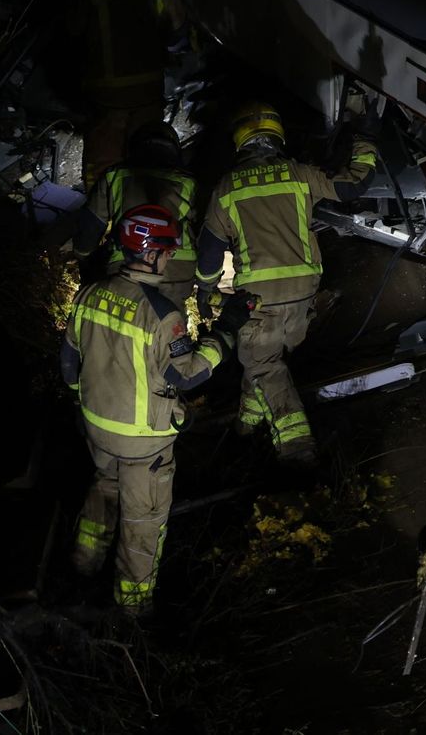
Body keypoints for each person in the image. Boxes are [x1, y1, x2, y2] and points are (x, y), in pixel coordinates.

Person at [60, 203, 252, 614]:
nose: (169, 257)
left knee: (103, 493)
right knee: (142, 526)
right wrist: (228, 331)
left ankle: (82, 564)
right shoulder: (162, 314)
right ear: (150, 253)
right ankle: (132, 614)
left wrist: (83, 404)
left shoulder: (90, 294)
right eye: (167, 250)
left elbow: (69, 362)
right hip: (143, 446)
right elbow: (187, 375)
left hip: (97, 431)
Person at [194, 101, 378, 465]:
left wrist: (205, 293)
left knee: (264, 365)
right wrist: (366, 138)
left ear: (240, 141)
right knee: (266, 362)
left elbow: (209, 255)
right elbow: (353, 186)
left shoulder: (226, 189)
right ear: (277, 137)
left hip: (257, 299)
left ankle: (296, 449)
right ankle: (247, 424)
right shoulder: (298, 173)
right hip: (304, 295)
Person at [70, 0, 186, 183]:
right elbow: (178, 31)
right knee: (149, 163)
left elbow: (72, 34)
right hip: (148, 92)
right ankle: (148, 213)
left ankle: (103, 214)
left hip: (107, 97)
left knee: (103, 172)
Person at [71, 121, 198, 304]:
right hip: (177, 271)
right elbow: (203, 227)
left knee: (123, 317)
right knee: (168, 322)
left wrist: (83, 257)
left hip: (127, 262)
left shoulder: (116, 175)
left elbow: (92, 224)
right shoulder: (189, 182)